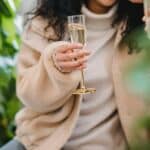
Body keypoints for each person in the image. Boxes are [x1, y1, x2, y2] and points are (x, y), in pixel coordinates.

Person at [0, 0, 147, 150]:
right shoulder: (45, 22)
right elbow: (28, 95)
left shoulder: (141, 25)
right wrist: (54, 68)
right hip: (44, 144)